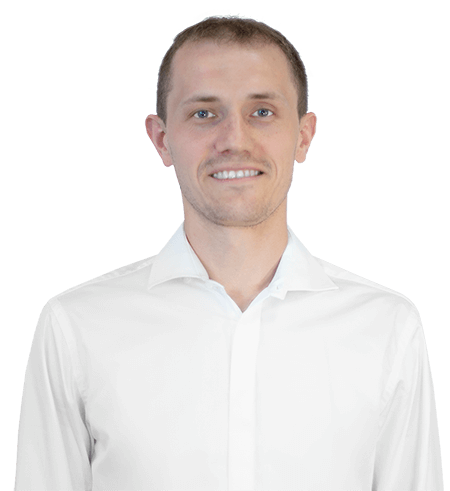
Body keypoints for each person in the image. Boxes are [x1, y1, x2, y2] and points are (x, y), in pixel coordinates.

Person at [14, 15, 443, 491]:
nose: (234, 139)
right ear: (161, 140)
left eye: (262, 111)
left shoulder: (386, 326)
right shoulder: (76, 326)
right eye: (204, 113)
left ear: (303, 136)